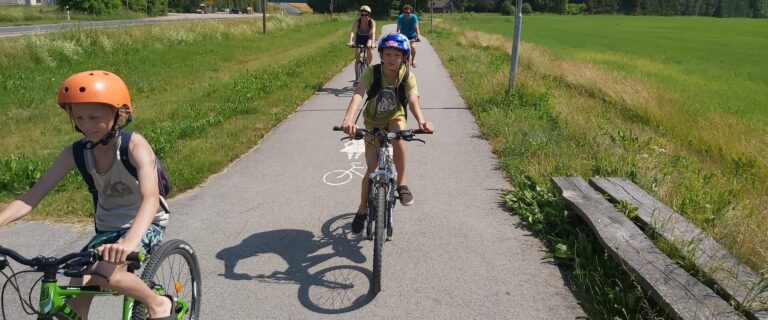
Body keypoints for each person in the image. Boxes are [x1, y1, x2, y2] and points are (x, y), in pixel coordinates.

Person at [0, 70, 175, 320]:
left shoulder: (134, 146)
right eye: (79, 117)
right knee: (76, 281)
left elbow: (150, 197)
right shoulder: (76, 153)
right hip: (107, 229)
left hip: (145, 224)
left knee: (106, 274)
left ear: (118, 113)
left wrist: (128, 243)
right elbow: (32, 197)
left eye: (94, 117)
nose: (86, 126)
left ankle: (157, 304)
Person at [340, 32, 435, 233]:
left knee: (399, 134)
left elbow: (412, 101)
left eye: (397, 55)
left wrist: (422, 121)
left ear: (404, 58)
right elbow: (358, 94)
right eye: (388, 54)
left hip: (395, 117)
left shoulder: (407, 76)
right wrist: (348, 119)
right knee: (372, 169)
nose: (392, 59)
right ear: (381, 55)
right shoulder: (372, 72)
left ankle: (402, 183)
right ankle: (362, 209)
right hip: (372, 122)